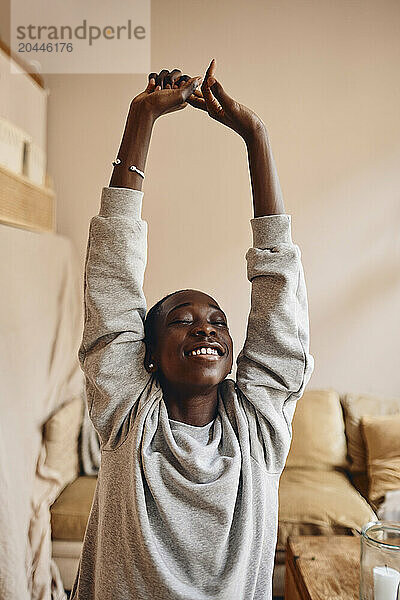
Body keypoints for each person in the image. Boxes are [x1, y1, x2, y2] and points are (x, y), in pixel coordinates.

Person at [71, 59, 315, 600]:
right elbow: (112, 279)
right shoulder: (127, 418)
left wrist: (257, 139)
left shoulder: (258, 428)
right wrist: (141, 122)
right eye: (181, 322)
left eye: (216, 322)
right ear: (147, 355)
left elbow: (279, 306)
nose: (204, 329)